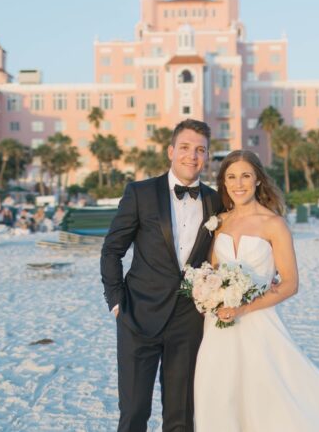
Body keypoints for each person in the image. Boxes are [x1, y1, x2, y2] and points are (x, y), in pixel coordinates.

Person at [194, 150, 319, 431]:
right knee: (218, 394)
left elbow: (290, 283)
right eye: (232, 177)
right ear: (224, 183)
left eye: (246, 176)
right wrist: (206, 292)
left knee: (269, 397)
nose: (239, 184)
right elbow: (212, 272)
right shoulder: (220, 222)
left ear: (258, 180)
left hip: (258, 322)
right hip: (218, 325)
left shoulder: (274, 225)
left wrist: (243, 308)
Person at [100, 119, 223, 432]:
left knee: (181, 417)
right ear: (171, 151)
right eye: (184, 147)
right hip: (137, 316)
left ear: (207, 156)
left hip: (188, 321)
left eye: (200, 150)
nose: (191, 156)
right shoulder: (140, 193)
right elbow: (112, 250)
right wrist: (116, 302)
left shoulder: (215, 201)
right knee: (134, 413)